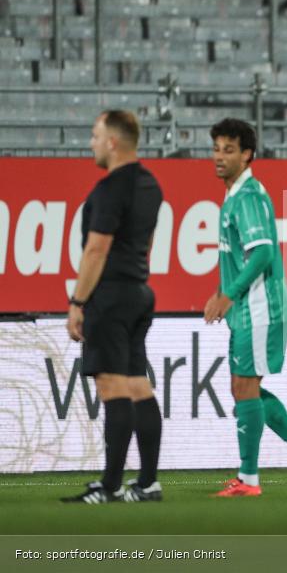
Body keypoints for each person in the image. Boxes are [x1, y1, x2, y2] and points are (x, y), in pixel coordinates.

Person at [203, 118, 287, 497]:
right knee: (243, 388)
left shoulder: (249, 196)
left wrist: (229, 294)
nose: (220, 157)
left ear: (247, 154)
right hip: (249, 308)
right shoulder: (234, 195)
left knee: (244, 386)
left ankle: (250, 480)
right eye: (216, 149)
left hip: (260, 307)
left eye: (229, 150)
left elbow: (262, 254)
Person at [63, 110, 164, 503]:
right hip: (139, 291)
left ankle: (109, 485)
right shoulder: (150, 185)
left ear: (112, 142)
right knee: (138, 385)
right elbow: (148, 241)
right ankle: (148, 482)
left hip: (110, 295)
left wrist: (78, 302)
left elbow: (96, 249)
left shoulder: (110, 189)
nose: (90, 142)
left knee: (112, 387)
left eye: (94, 135)